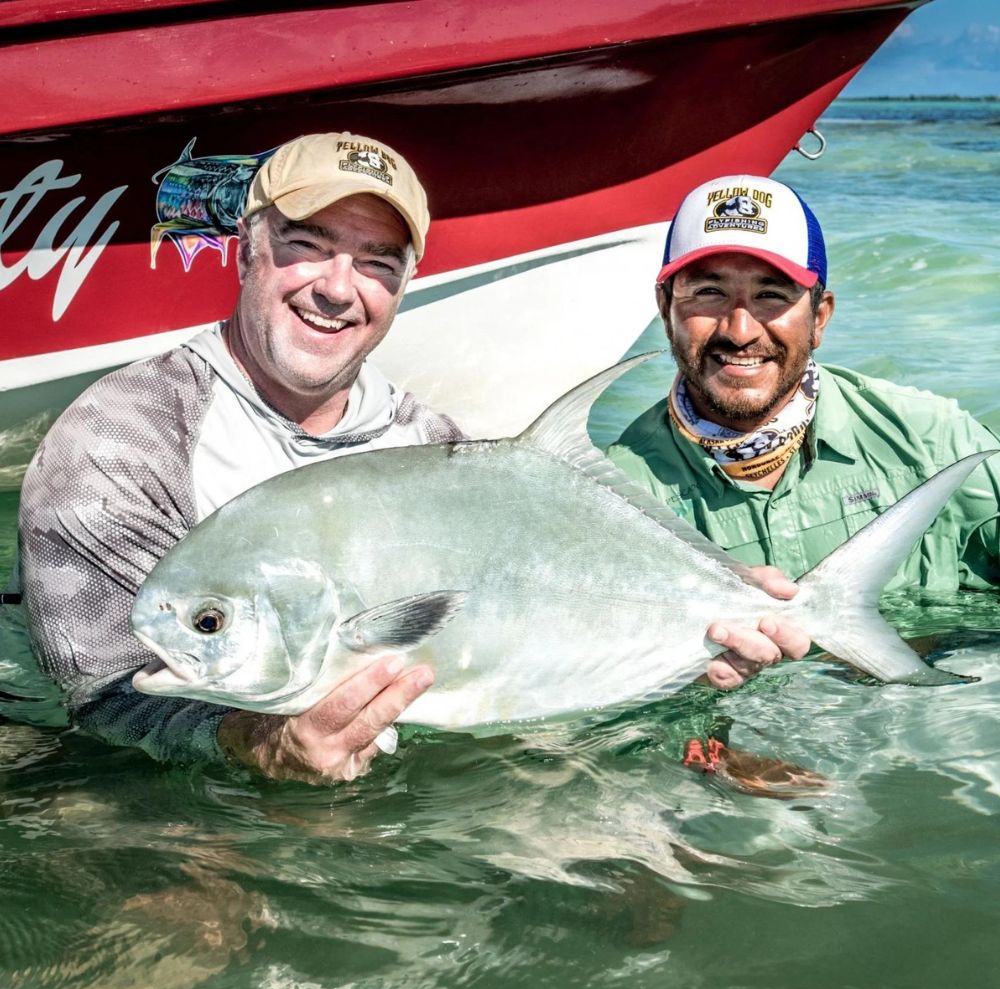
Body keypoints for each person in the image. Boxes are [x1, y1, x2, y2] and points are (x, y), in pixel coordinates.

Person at [18, 137, 795, 786]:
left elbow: (528, 637)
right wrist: (258, 747)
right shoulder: (122, 439)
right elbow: (103, 699)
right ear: (245, 248)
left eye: (376, 262)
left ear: (404, 284)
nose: (336, 287)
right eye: (306, 245)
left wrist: (696, 635)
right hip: (168, 800)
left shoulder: (431, 446)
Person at [608, 173, 1000, 688]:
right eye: (709, 293)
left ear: (820, 317)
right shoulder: (617, 495)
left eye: (772, 295)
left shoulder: (932, 441)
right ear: (666, 311)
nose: (739, 330)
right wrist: (686, 687)